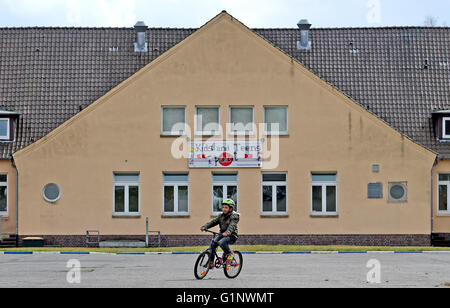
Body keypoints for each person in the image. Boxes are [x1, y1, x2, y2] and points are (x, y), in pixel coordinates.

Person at [201, 199, 240, 266]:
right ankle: (211, 262)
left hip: (231, 235)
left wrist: (227, 233)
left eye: (226, 207)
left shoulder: (234, 216)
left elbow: (232, 226)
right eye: (223, 207)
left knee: (221, 242)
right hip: (222, 234)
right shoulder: (221, 216)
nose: (224, 209)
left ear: (231, 209)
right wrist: (205, 226)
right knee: (213, 244)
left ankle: (230, 254)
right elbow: (213, 222)